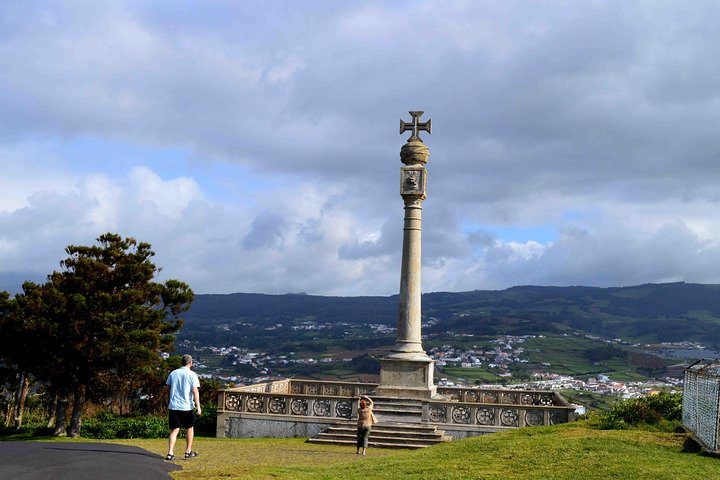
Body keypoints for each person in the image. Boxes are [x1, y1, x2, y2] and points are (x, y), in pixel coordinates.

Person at [165, 354, 202, 461]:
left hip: (174, 406)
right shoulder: (192, 375)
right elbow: (195, 391)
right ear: (190, 363)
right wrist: (198, 406)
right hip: (187, 406)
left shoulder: (173, 373)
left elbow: (168, 388)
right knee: (189, 428)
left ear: (181, 362)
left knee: (174, 430)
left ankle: (170, 453)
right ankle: (188, 451)